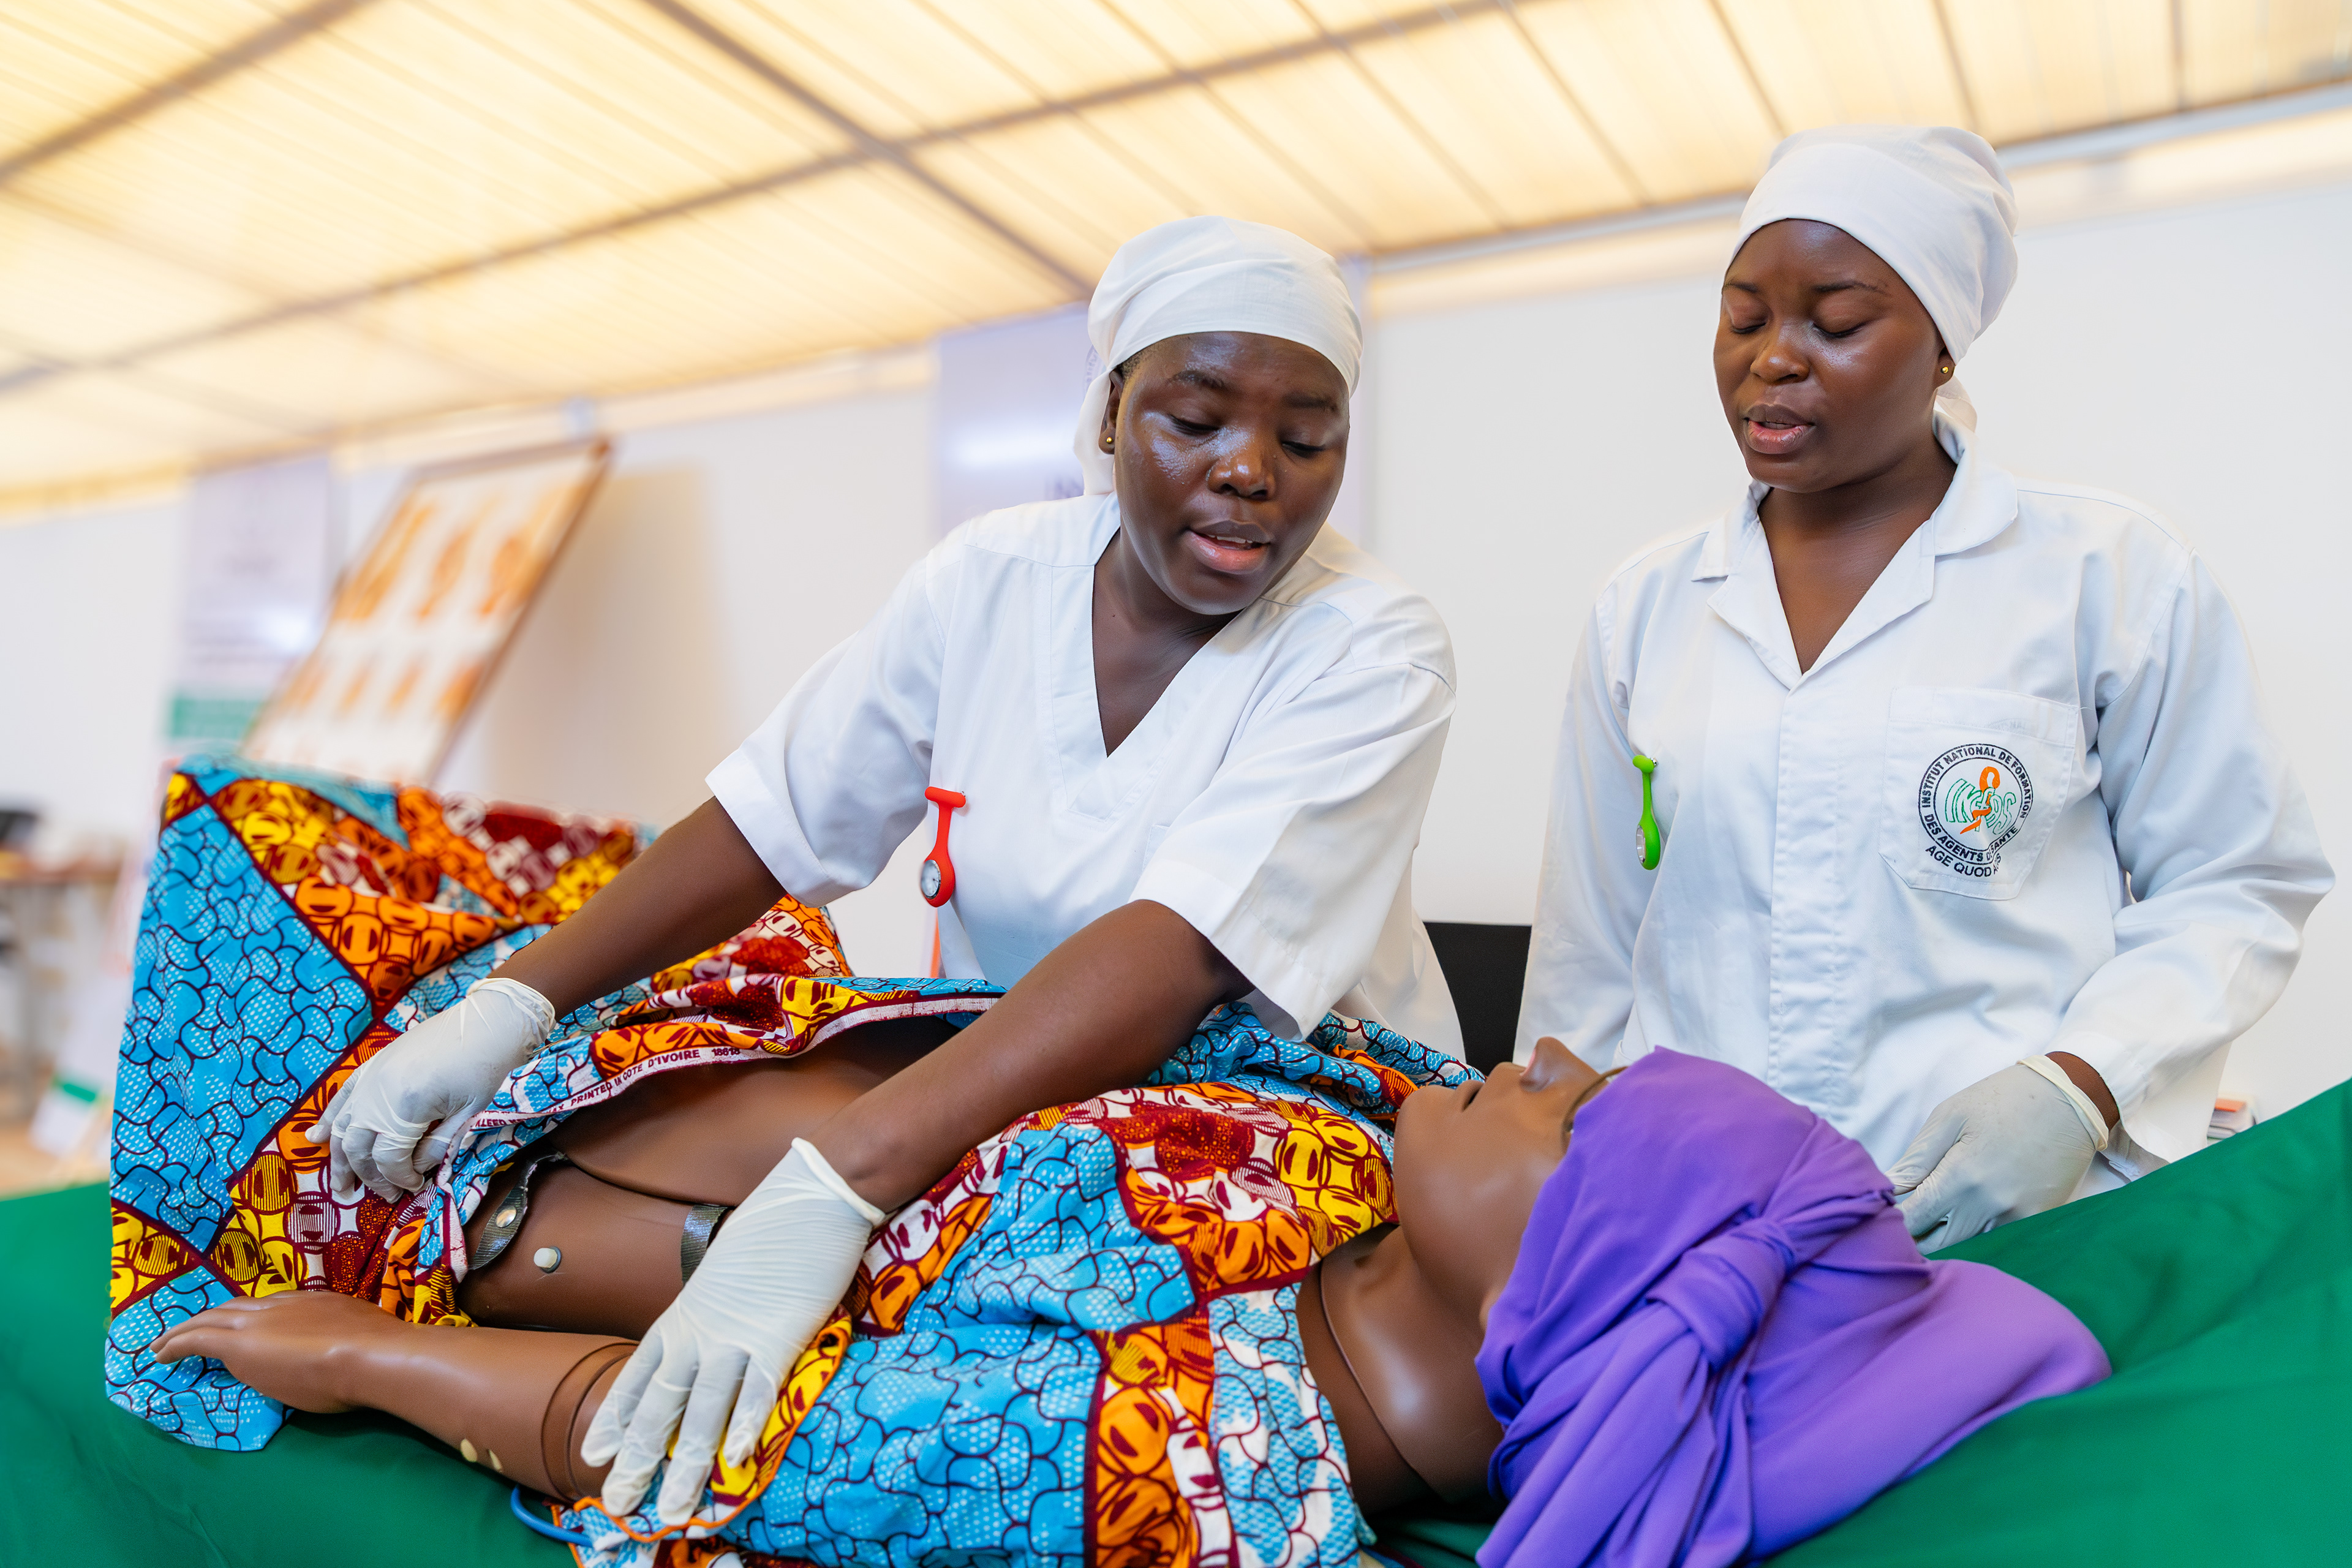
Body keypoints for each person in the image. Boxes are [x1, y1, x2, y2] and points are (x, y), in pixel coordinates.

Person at [305, 214, 1463, 1523]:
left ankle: (447, 1340)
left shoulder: (1373, 647)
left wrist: (838, 1182)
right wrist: (513, 1003)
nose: (1252, 470)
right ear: (1107, 411)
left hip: (1256, 1113)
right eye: (1194, 418)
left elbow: (1180, 951)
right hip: (993, 1083)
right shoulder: (991, 582)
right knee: (677, 1081)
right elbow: (772, 820)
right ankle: (479, 1246)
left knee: (930, 1283)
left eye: (1307, 438)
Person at [152, 1012, 2103, 1568]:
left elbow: (686, 1437)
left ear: (1575, 1285)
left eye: (1589, 1114)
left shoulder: (1168, 1470)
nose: (1557, 1057)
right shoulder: (1370, 1150)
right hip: (658, 1065)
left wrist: (357, 1348)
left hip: (459, 1221)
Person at [1519, 124, 2332, 1254]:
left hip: (2013, 1233)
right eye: (1744, 315)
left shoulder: (2105, 575)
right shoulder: (1648, 609)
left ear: (1944, 345)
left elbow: (2239, 879)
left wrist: (2078, 1087)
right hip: (1695, 1234)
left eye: (1836, 321)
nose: (1774, 356)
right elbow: (1587, 957)